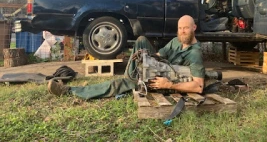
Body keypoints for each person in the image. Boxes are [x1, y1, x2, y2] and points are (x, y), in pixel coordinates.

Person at [47, 15, 205, 99]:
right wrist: (145, 58)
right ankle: (130, 76)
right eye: (180, 28)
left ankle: (69, 91)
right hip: (158, 70)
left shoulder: (195, 53)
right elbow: (158, 55)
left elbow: (198, 86)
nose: (183, 31)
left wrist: (169, 85)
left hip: (165, 81)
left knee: (119, 84)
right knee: (142, 41)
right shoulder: (176, 41)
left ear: (194, 28)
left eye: (186, 28)